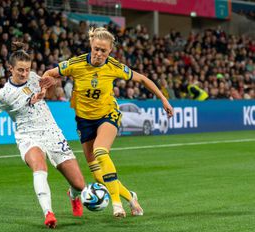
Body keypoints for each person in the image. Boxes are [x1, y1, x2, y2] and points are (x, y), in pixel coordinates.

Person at [0, 42, 85, 229]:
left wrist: (51, 84)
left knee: (79, 184)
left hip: (52, 132)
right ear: (10, 68)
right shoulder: (4, 94)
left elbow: (51, 85)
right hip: (28, 137)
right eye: (20, 70)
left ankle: (73, 195)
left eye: (27, 69)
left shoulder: (35, 78)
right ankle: (48, 213)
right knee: (39, 166)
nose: (25, 74)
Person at [41, 27, 174, 218]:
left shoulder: (113, 66)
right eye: (96, 48)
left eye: (104, 50)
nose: (99, 53)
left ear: (110, 51)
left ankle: (117, 204)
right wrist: (47, 87)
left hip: (108, 115)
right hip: (84, 121)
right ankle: (131, 197)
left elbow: (143, 79)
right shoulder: (76, 64)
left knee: (101, 151)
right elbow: (50, 73)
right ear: (91, 45)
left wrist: (163, 99)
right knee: (97, 175)